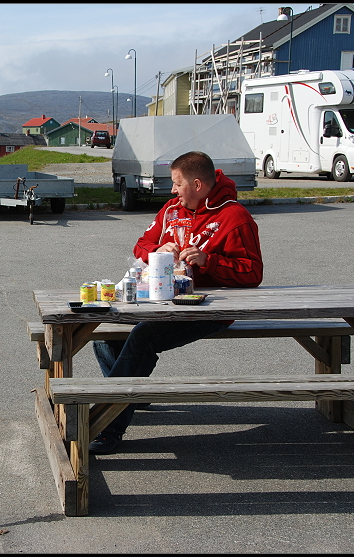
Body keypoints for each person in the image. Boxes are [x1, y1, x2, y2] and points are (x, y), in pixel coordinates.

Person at [89, 151, 264, 454]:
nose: (172, 190)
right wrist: (159, 249)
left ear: (197, 184)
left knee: (142, 337)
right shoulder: (171, 210)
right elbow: (140, 246)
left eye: (177, 183)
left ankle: (106, 427)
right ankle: (134, 394)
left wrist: (209, 261)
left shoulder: (235, 217)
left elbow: (253, 272)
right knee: (103, 336)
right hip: (160, 299)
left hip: (208, 310)